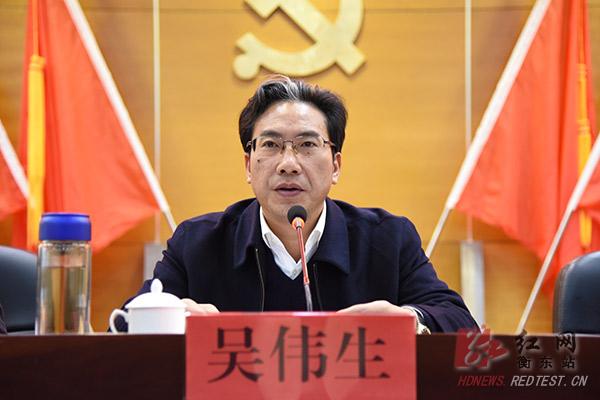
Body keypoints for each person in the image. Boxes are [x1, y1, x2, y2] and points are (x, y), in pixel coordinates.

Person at [115, 76, 478, 333]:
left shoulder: (388, 239)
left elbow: (461, 325)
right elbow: (123, 326)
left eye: (307, 145)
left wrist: (411, 322)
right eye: (271, 145)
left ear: (335, 165)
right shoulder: (197, 243)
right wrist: (170, 318)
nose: (288, 163)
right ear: (248, 165)